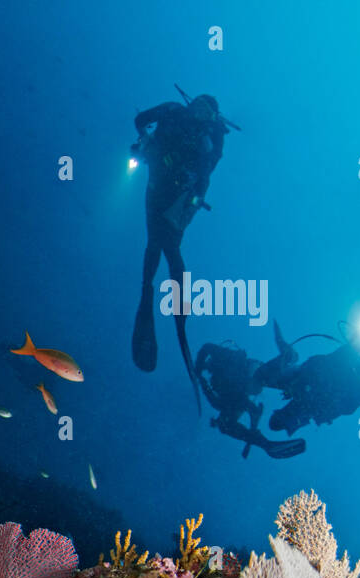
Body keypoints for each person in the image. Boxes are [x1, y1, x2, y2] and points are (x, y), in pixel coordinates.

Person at [131, 93, 227, 408]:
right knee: (154, 244)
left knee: (168, 247)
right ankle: (149, 294)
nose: (202, 112)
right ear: (192, 103)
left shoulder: (211, 136)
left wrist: (192, 196)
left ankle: (178, 305)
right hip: (157, 185)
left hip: (178, 199)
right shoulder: (172, 111)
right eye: (200, 105)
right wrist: (145, 140)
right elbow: (140, 119)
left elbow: (207, 174)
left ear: (214, 116)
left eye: (209, 111)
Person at [264, 336, 360, 435]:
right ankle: (284, 365)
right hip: (308, 385)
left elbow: (350, 405)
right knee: (273, 379)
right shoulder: (351, 354)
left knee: (277, 421)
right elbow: (326, 361)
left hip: (315, 398)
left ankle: (281, 368)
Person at [195, 336, 305, 459]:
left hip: (249, 378)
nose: (208, 368)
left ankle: (290, 360)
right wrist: (202, 382)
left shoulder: (223, 357)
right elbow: (220, 403)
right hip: (244, 388)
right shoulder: (224, 386)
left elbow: (207, 347)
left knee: (266, 379)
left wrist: (198, 369)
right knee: (225, 424)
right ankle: (267, 445)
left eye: (208, 366)